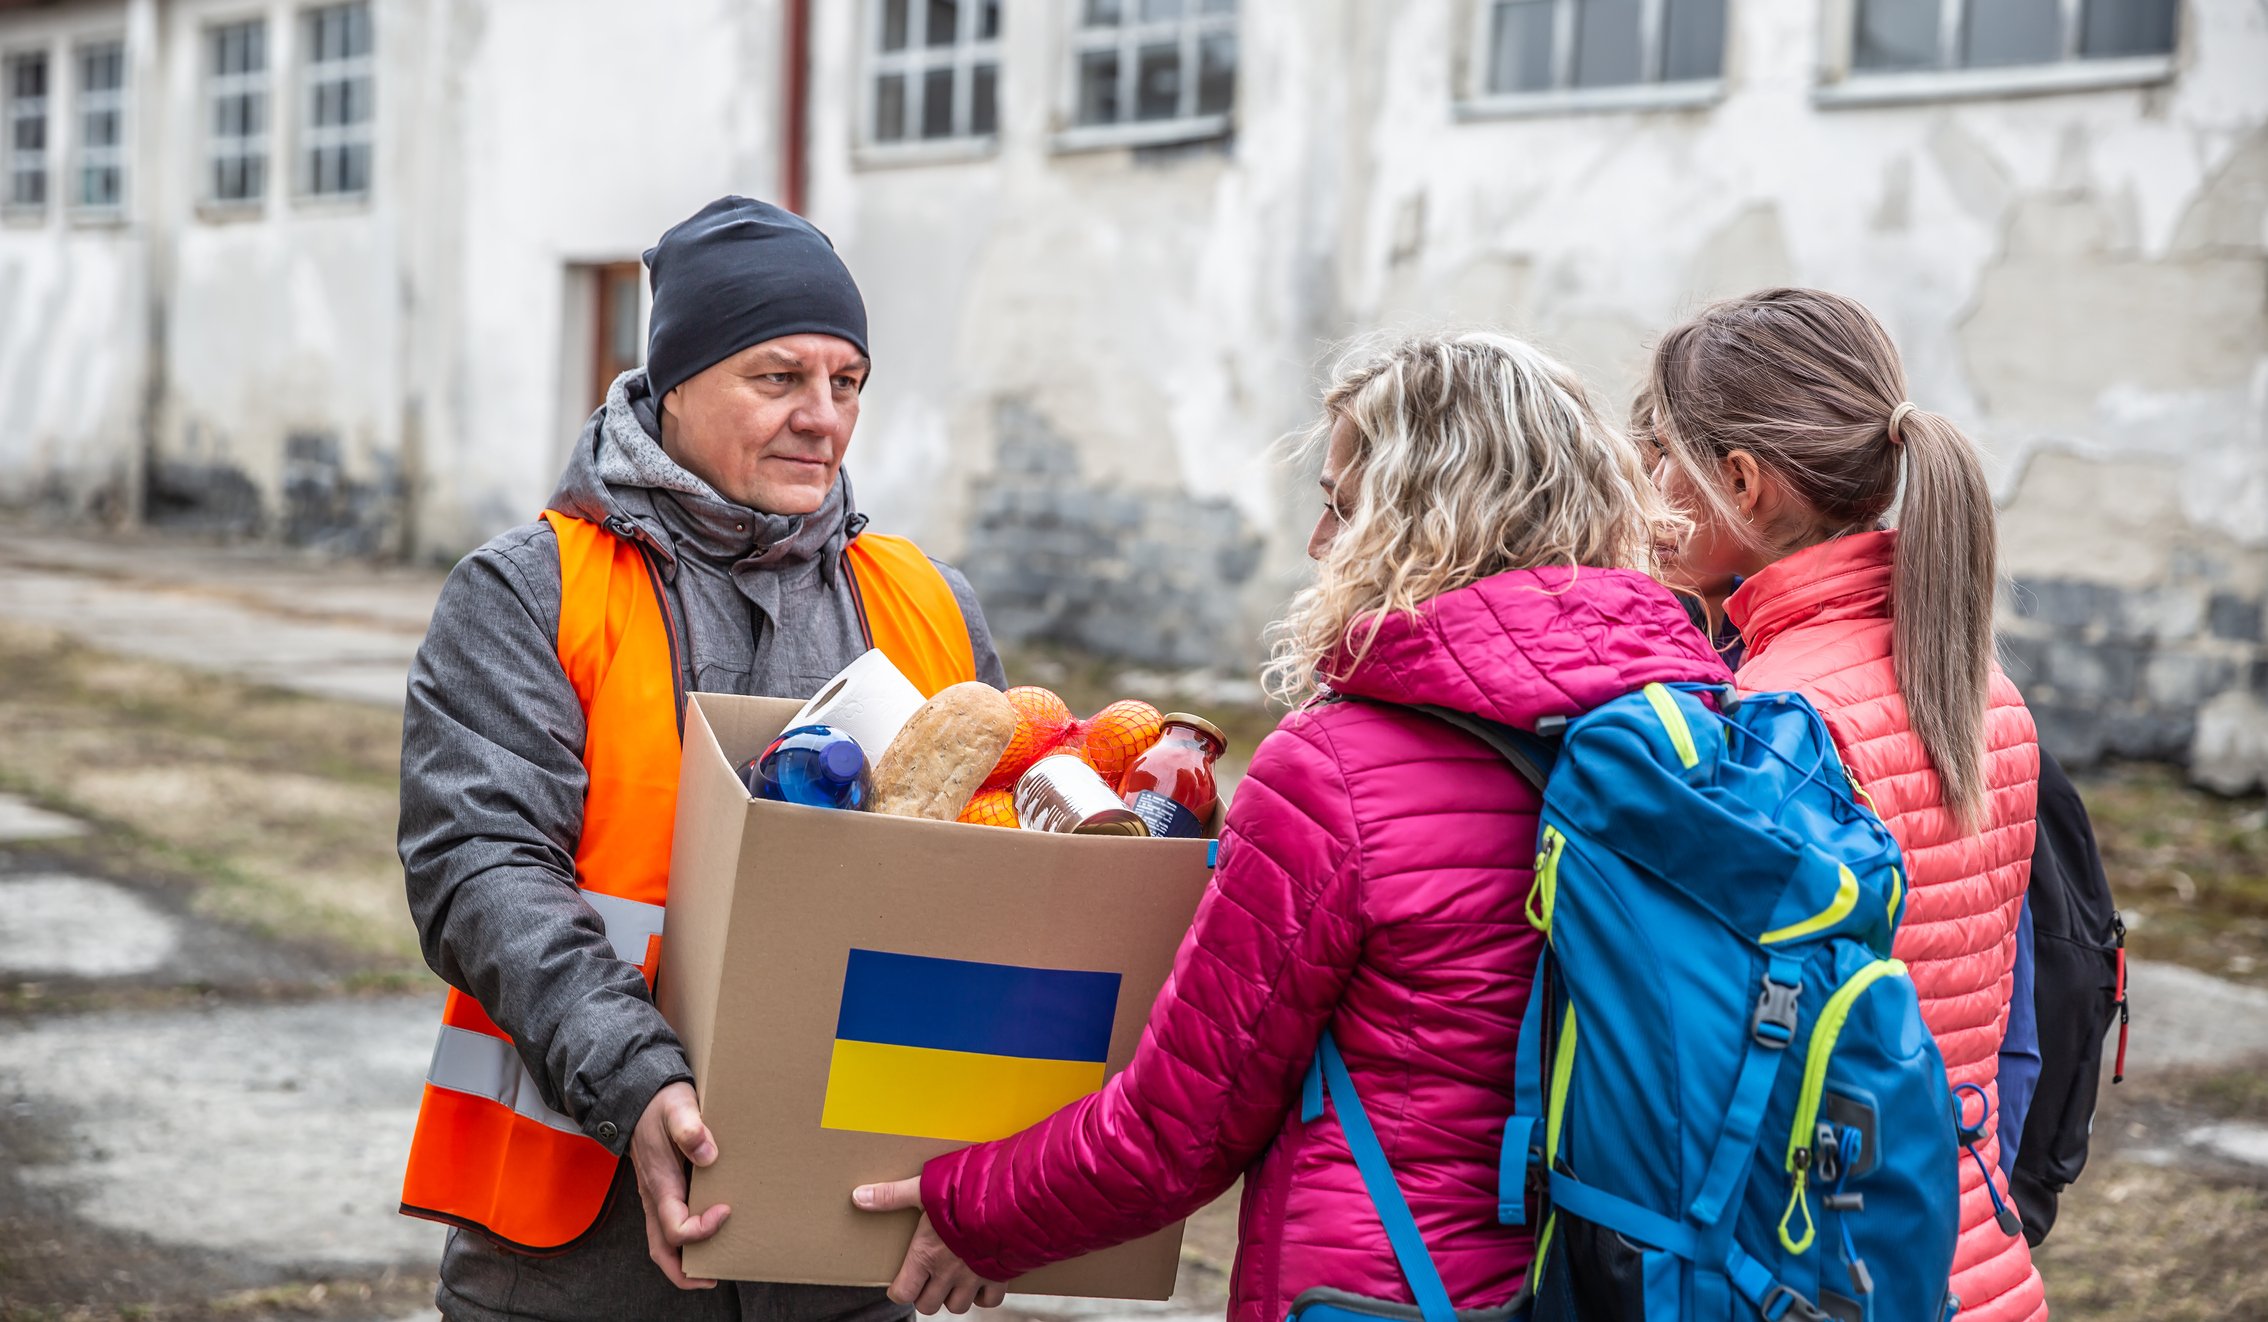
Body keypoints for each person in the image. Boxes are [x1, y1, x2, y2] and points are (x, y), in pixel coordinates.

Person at [853, 331, 1732, 1320]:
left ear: (1419, 518)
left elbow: (1176, 1128)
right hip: (1633, 1279)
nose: (1320, 543)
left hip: (1389, 1290)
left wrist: (970, 1208)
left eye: (1340, 504)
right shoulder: (1700, 726)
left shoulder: (1336, 774)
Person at [396, 196, 1005, 1322]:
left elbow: (1000, 900)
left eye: (847, 381)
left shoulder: (930, 607)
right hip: (578, 1256)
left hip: (849, 1254)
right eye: (777, 378)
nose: (823, 417)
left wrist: (1005, 1182)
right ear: (670, 384)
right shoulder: (531, 592)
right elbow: (480, 870)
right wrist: (639, 1081)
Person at [1639, 287, 2046, 1322]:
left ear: (1740, 482)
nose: (1643, 491)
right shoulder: (1983, 688)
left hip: (1825, 1259)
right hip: (1967, 1244)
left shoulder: (1773, 717)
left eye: (1660, 460)